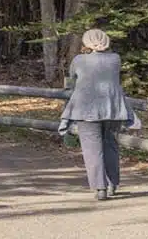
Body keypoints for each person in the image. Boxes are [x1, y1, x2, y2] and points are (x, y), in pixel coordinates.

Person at [57, 29, 139, 201]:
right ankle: (113, 184)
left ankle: (100, 187)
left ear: (87, 42)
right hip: (112, 109)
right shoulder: (115, 59)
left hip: (86, 109)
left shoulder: (79, 60)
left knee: (92, 149)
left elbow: (72, 75)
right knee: (111, 146)